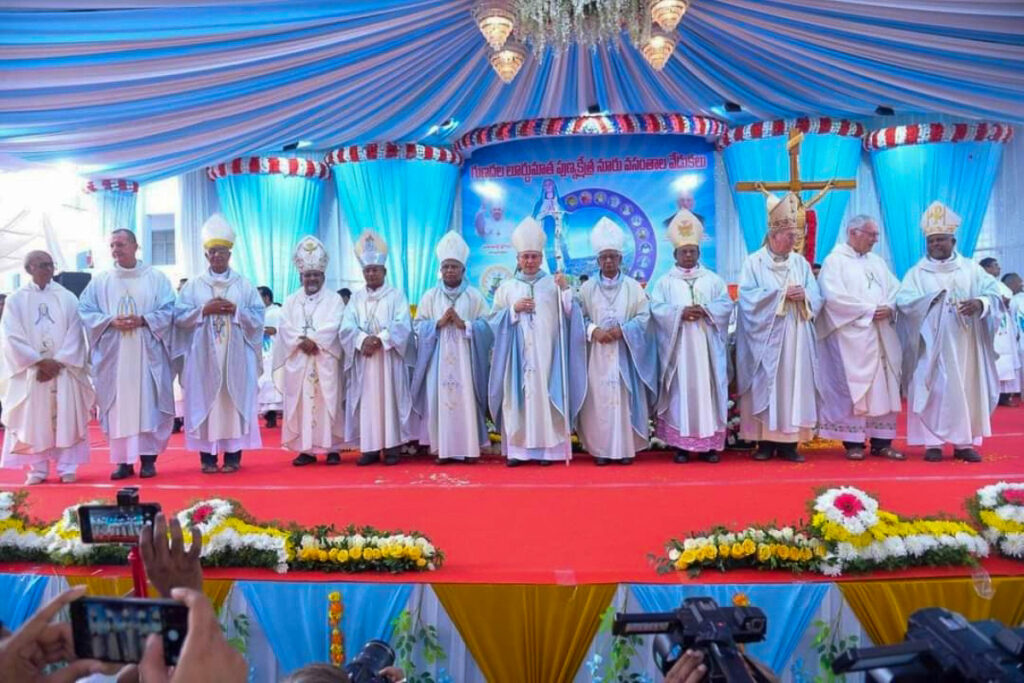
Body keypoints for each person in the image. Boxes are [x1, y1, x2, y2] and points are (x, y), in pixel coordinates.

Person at [896, 201, 1002, 462]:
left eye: (941, 240)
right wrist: (928, 302)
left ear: (953, 241)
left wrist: (980, 304)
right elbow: (904, 301)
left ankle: (963, 443)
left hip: (966, 342)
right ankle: (932, 443)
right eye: (931, 241)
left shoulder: (971, 269)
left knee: (965, 387)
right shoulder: (916, 273)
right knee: (934, 389)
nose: (935, 245)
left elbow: (995, 294)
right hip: (930, 345)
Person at [488, 217, 585, 466]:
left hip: (547, 354)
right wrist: (512, 310)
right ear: (518, 259)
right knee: (518, 399)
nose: (529, 261)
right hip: (516, 357)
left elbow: (570, 316)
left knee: (545, 397)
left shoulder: (552, 284)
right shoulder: (507, 288)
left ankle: (548, 451)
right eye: (525, 257)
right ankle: (519, 452)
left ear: (541, 258)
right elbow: (490, 322)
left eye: (534, 256)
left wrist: (565, 292)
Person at [80, 229, 175, 480]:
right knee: (118, 407)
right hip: (115, 354)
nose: (116, 249)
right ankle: (122, 462)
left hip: (147, 353)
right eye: (112, 245)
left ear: (135, 245)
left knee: (148, 404)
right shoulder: (101, 280)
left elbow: (169, 310)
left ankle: (148, 460)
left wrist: (144, 319)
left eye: (121, 244)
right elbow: (86, 311)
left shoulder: (156, 278)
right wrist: (110, 322)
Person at [736, 192, 823, 463]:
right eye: (789, 236)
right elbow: (746, 296)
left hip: (796, 335)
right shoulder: (754, 262)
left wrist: (805, 297)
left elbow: (817, 295)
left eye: (795, 237)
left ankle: (789, 444)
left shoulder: (800, 263)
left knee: (794, 385)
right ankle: (763, 442)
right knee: (766, 385)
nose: (794, 241)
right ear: (773, 236)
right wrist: (780, 295)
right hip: (766, 337)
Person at [174, 215, 264, 474]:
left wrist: (236, 311)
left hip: (235, 356)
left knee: (232, 401)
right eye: (212, 252)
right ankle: (208, 458)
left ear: (229, 254)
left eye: (222, 251)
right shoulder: (193, 286)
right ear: (206, 255)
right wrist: (204, 310)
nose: (217, 256)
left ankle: (234, 455)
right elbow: (178, 318)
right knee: (207, 402)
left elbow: (258, 317)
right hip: (203, 358)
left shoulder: (243, 284)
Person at [0, 251, 94, 484]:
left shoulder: (67, 297)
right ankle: (38, 469)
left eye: (51, 265)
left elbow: (76, 333)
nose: (49, 269)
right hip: (33, 372)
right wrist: (37, 362)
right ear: (29, 268)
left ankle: (67, 468)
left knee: (67, 417)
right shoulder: (16, 300)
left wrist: (59, 361)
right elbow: (11, 335)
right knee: (34, 420)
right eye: (43, 265)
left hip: (64, 369)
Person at [816, 216, 904, 461]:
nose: (876, 239)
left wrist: (890, 307)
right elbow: (833, 298)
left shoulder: (877, 262)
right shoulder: (835, 262)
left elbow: (896, 290)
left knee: (883, 386)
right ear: (853, 232)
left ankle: (882, 442)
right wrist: (869, 310)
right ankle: (853, 442)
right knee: (853, 388)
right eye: (871, 234)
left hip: (880, 334)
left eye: (876, 235)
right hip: (851, 336)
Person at [649, 210, 733, 464]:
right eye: (683, 251)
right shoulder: (664, 283)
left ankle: (709, 446)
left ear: (698, 252)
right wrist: (679, 313)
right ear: (674, 254)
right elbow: (656, 309)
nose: (688, 255)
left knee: (706, 392)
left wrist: (707, 311)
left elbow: (726, 305)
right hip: (679, 350)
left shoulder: (713, 280)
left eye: (692, 251)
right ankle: (681, 446)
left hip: (706, 348)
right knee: (680, 393)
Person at [573, 218, 656, 465]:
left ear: (621, 259)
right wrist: (593, 330)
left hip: (625, 352)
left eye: (613, 256)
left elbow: (644, 316)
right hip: (597, 354)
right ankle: (601, 450)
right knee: (598, 401)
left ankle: (625, 449)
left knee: (624, 399)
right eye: (604, 257)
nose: (608, 261)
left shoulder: (633, 287)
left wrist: (624, 330)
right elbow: (578, 316)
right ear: (597, 260)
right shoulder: (586, 289)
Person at [411, 231, 493, 464]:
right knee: (439, 400)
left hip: (466, 359)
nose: (449, 271)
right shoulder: (429, 296)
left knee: (466, 399)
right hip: (437, 359)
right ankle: (442, 449)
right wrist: (436, 325)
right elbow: (417, 326)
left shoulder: (474, 296)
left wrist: (465, 325)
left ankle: (468, 449)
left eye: (454, 267)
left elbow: (487, 327)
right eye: (445, 266)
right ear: (440, 269)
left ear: (463, 270)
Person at [340, 230, 415, 466]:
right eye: (367, 270)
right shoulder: (356, 298)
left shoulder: (396, 295)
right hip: (365, 359)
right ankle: (370, 448)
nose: (371, 273)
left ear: (384, 271)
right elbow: (346, 326)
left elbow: (403, 323)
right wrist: (362, 340)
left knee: (390, 400)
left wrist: (380, 340)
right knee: (367, 402)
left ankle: (392, 448)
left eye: (375, 270)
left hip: (388, 359)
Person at [274, 237, 351, 466]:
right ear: (301, 277)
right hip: (300, 360)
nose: (312, 279)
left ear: (323, 277)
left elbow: (336, 324)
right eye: (308, 275)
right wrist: (301, 340)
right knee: (303, 403)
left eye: (316, 274)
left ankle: (332, 448)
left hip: (324, 359)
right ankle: (305, 449)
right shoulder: (290, 301)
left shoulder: (334, 299)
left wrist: (314, 340)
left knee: (329, 401)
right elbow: (285, 326)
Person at [982, 257, 1021, 405]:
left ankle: (1005, 396)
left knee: (1007, 362)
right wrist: (997, 301)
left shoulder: (1001, 286)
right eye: (995, 266)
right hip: (991, 327)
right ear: (986, 268)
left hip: (1005, 327)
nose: (999, 268)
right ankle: (990, 397)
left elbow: (1011, 307)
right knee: (994, 362)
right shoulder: (980, 283)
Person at [258, 285, 283, 427]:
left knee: (271, 383)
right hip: (261, 352)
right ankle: (267, 414)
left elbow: (276, 330)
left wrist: (260, 330)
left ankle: (272, 414)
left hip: (272, 353)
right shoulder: (260, 312)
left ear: (266, 298)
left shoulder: (276, 312)